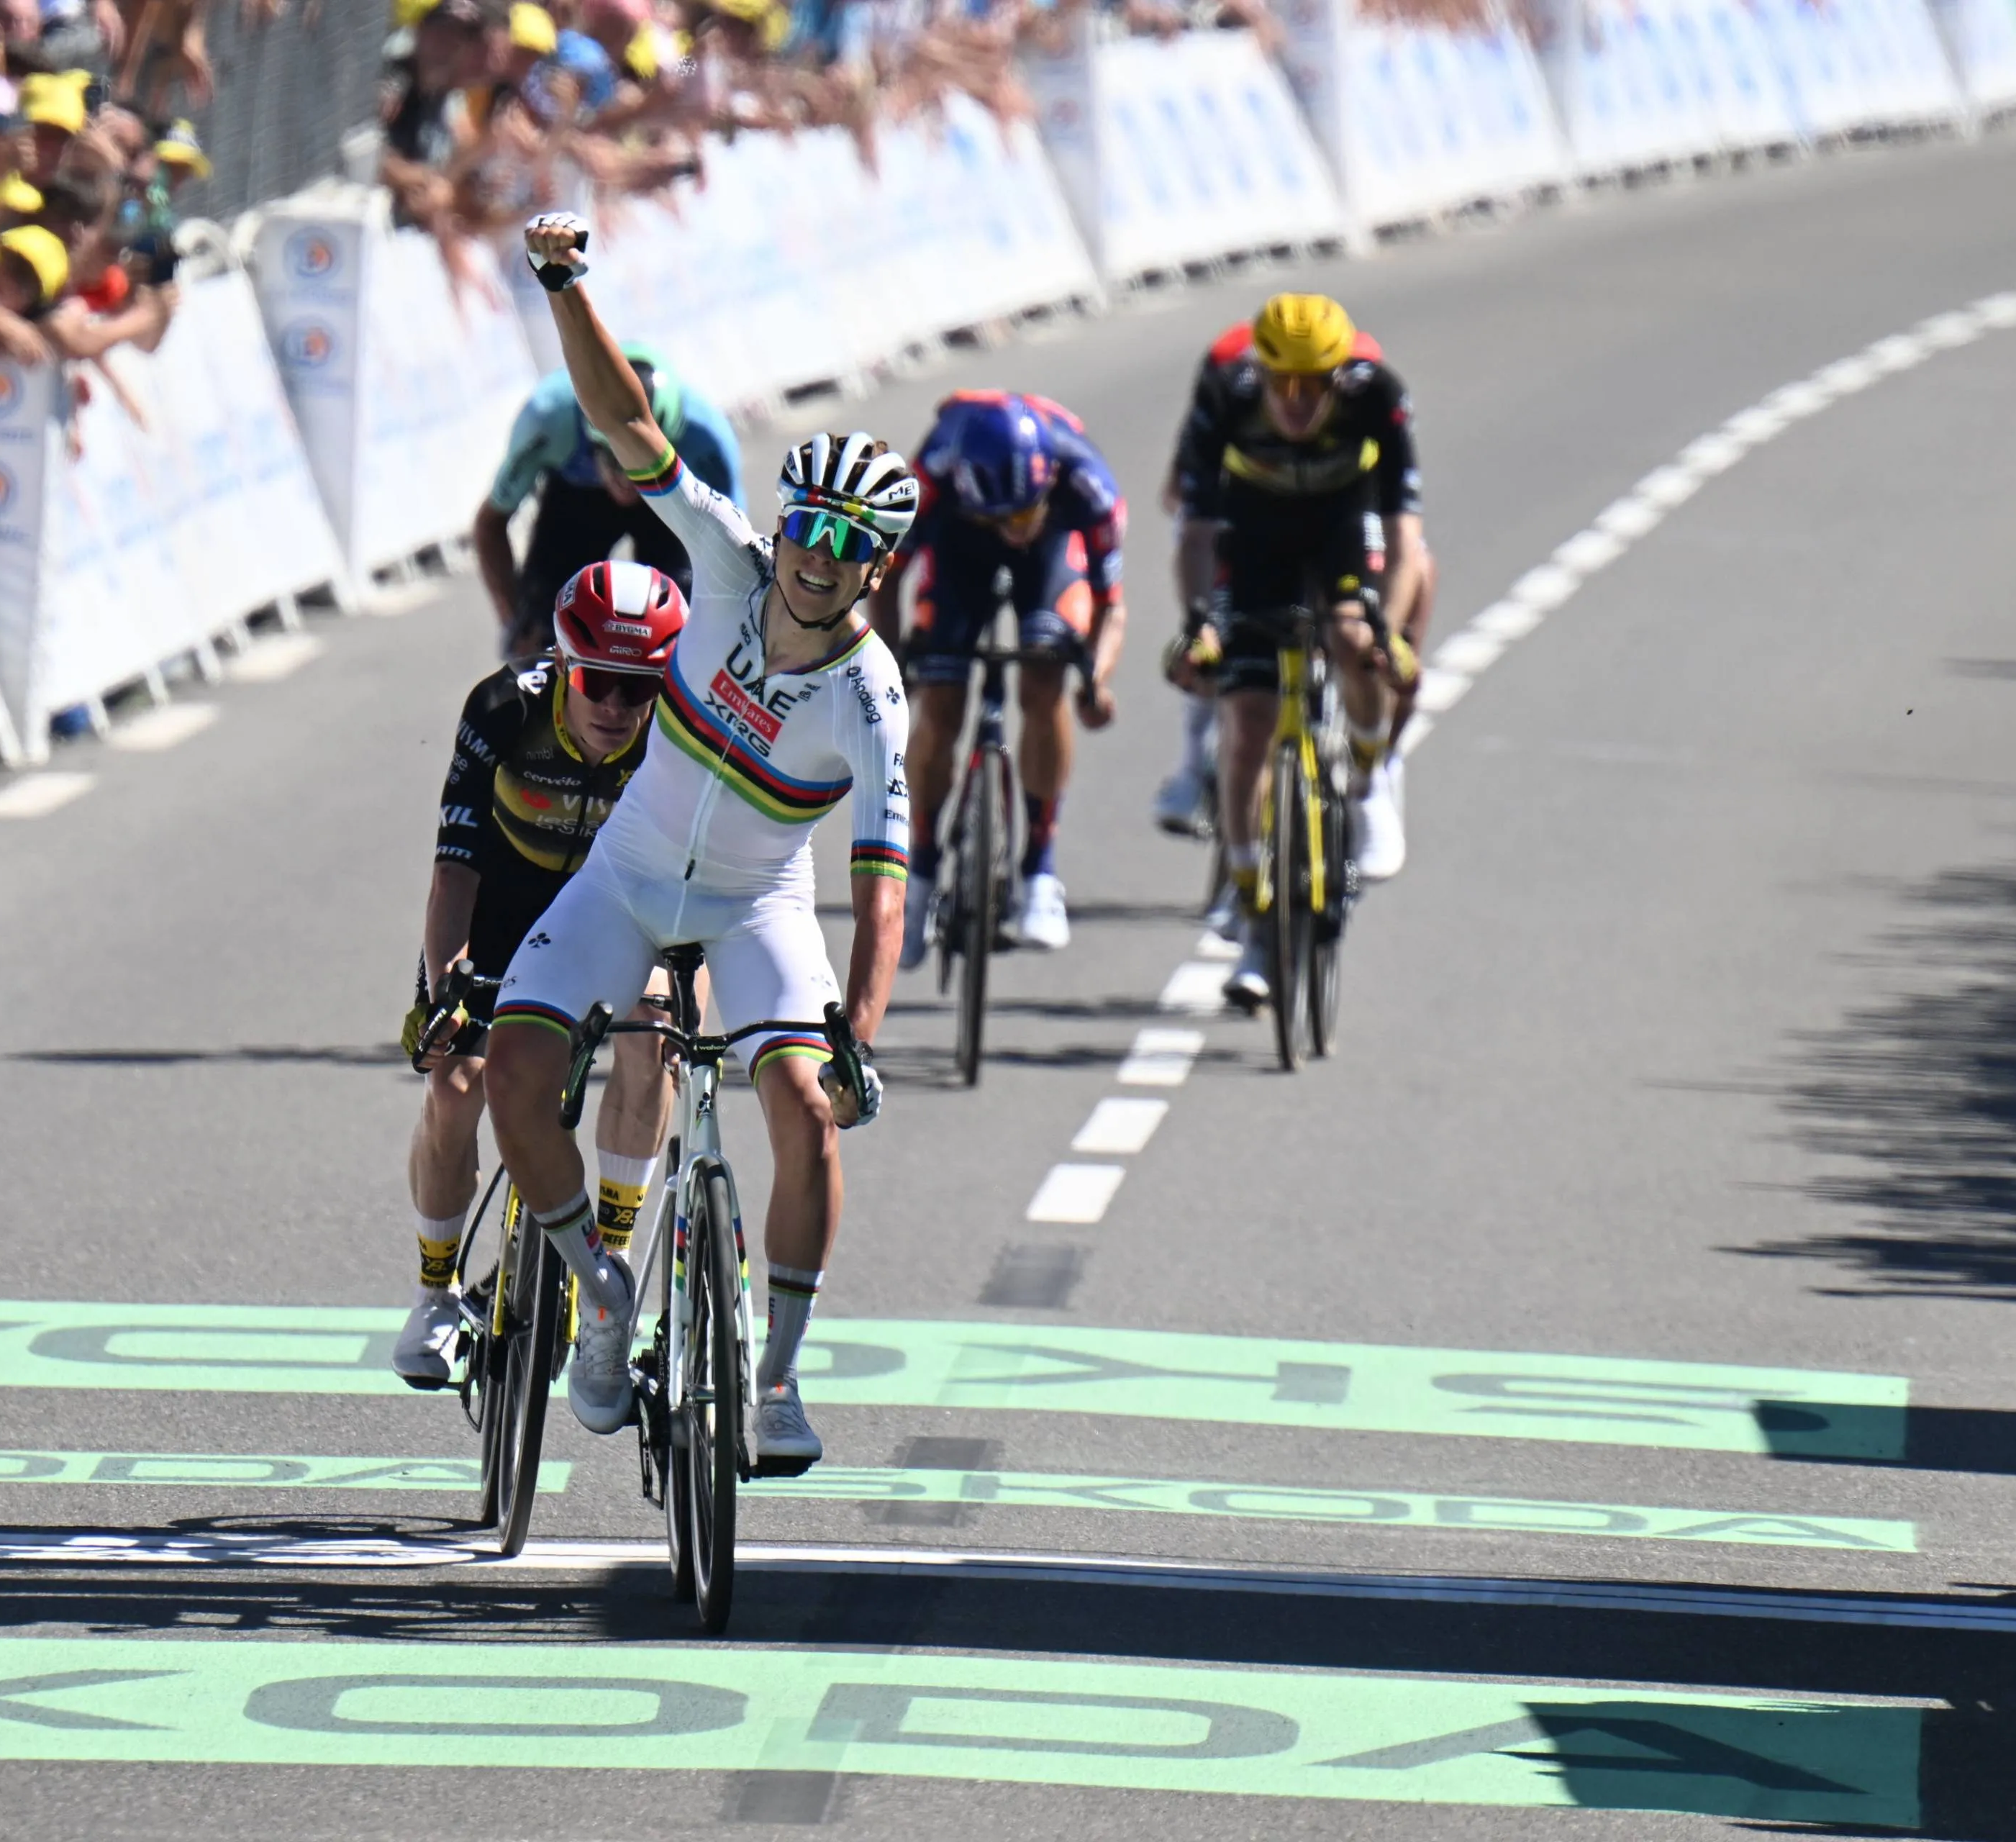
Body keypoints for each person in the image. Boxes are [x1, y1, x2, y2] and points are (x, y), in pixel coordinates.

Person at [480, 210, 909, 1471]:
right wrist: (566, 286)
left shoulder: (872, 698)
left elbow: (883, 886)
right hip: (623, 876)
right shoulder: (725, 561)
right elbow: (630, 430)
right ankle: (595, 1289)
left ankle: (775, 1381)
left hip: (757, 904)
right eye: (811, 531)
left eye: (851, 545)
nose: (819, 560)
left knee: (802, 1112)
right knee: (513, 1067)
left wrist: (861, 1034)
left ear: (878, 568)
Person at [392, 559, 684, 1386]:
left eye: (642, 689)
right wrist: (448, 986)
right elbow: (455, 868)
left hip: (620, 909)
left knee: (654, 1036)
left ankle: (606, 1272)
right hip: (505, 906)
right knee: (457, 1087)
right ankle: (436, 1294)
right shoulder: (502, 710)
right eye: (599, 682)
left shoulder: (679, 731)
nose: (618, 709)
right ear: (563, 663)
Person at [1166, 294, 1423, 1011]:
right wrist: (1199, 622)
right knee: (1246, 724)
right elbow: (1194, 533)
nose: (1300, 401)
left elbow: (1405, 540)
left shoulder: (1379, 397)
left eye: (1317, 385)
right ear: (1263, 371)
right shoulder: (1227, 397)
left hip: (1343, 527)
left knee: (1352, 640)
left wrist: (1391, 634)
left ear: (1341, 375)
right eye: (1286, 383)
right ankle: (1251, 899)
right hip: (1257, 542)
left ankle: (1369, 778)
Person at [876, 390, 1126, 959]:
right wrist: (890, 669)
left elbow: (1112, 606)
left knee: (1044, 681)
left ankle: (1040, 870)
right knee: (939, 703)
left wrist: (1096, 680)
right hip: (959, 543)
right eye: (1001, 518)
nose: (1014, 528)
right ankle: (920, 870)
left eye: (1023, 514)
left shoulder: (1085, 482)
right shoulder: (930, 478)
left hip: (1052, 551)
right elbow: (888, 579)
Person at [471, 340, 740, 658]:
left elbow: (732, 555)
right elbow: (490, 523)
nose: (628, 482)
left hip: (667, 498)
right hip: (580, 497)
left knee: (690, 632)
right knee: (543, 630)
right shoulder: (547, 419)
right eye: (616, 460)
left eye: (640, 462)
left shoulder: (706, 437)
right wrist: (517, 624)